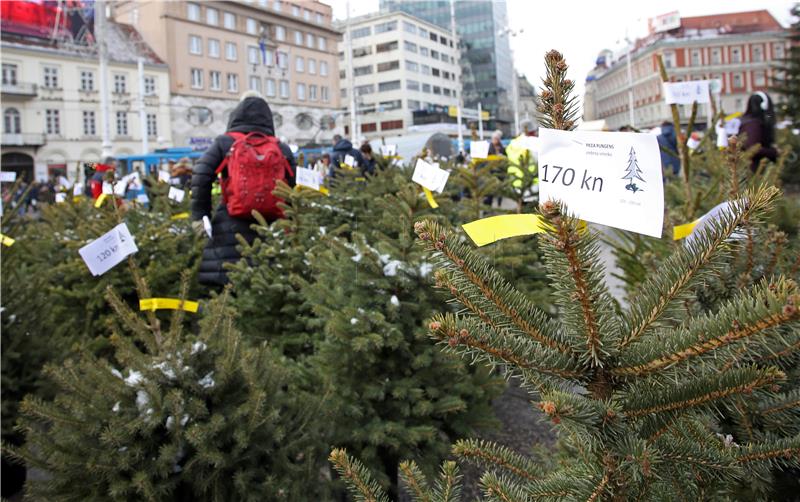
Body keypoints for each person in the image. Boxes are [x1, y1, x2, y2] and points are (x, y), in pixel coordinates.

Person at [190, 91, 296, 287]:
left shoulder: (225, 142)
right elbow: (290, 191)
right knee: (269, 282)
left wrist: (200, 216)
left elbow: (201, 174)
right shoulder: (282, 148)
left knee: (225, 285)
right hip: (271, 228)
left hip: (229, 226)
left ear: (235, 115)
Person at [739, 91, 777, 172]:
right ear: (764, 106)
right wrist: (774, 152)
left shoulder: (749, 121)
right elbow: (752, 148)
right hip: (754, 172)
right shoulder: (753, 124)